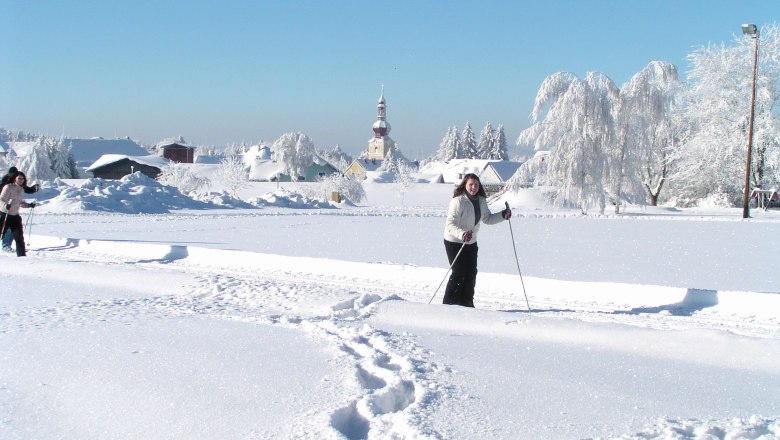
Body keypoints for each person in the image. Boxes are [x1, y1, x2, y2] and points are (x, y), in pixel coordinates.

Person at [442, 173, 511, 307]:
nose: (473, 187)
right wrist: (462, 234)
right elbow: (450, 224)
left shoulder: (481, 200)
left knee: (471, 272)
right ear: (465, 185)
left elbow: (487, 219)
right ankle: (449, 304)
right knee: (459, 272)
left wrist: (503, 215)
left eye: (476, 185)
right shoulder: (458, 201)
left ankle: (466, 303)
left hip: (471, 241)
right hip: (454, 241)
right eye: (471, 184)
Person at [1, 169, 39, 250]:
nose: (21, 180)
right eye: (18, 177)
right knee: (7, 229)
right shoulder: (6, 183)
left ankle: (8, 246)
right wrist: (5, 205)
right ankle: (5, 246)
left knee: (13, 231)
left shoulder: (20, 188)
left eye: (22, 178)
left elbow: (20, 200)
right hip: (4, 211)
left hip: (14, 212)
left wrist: (29, 205)